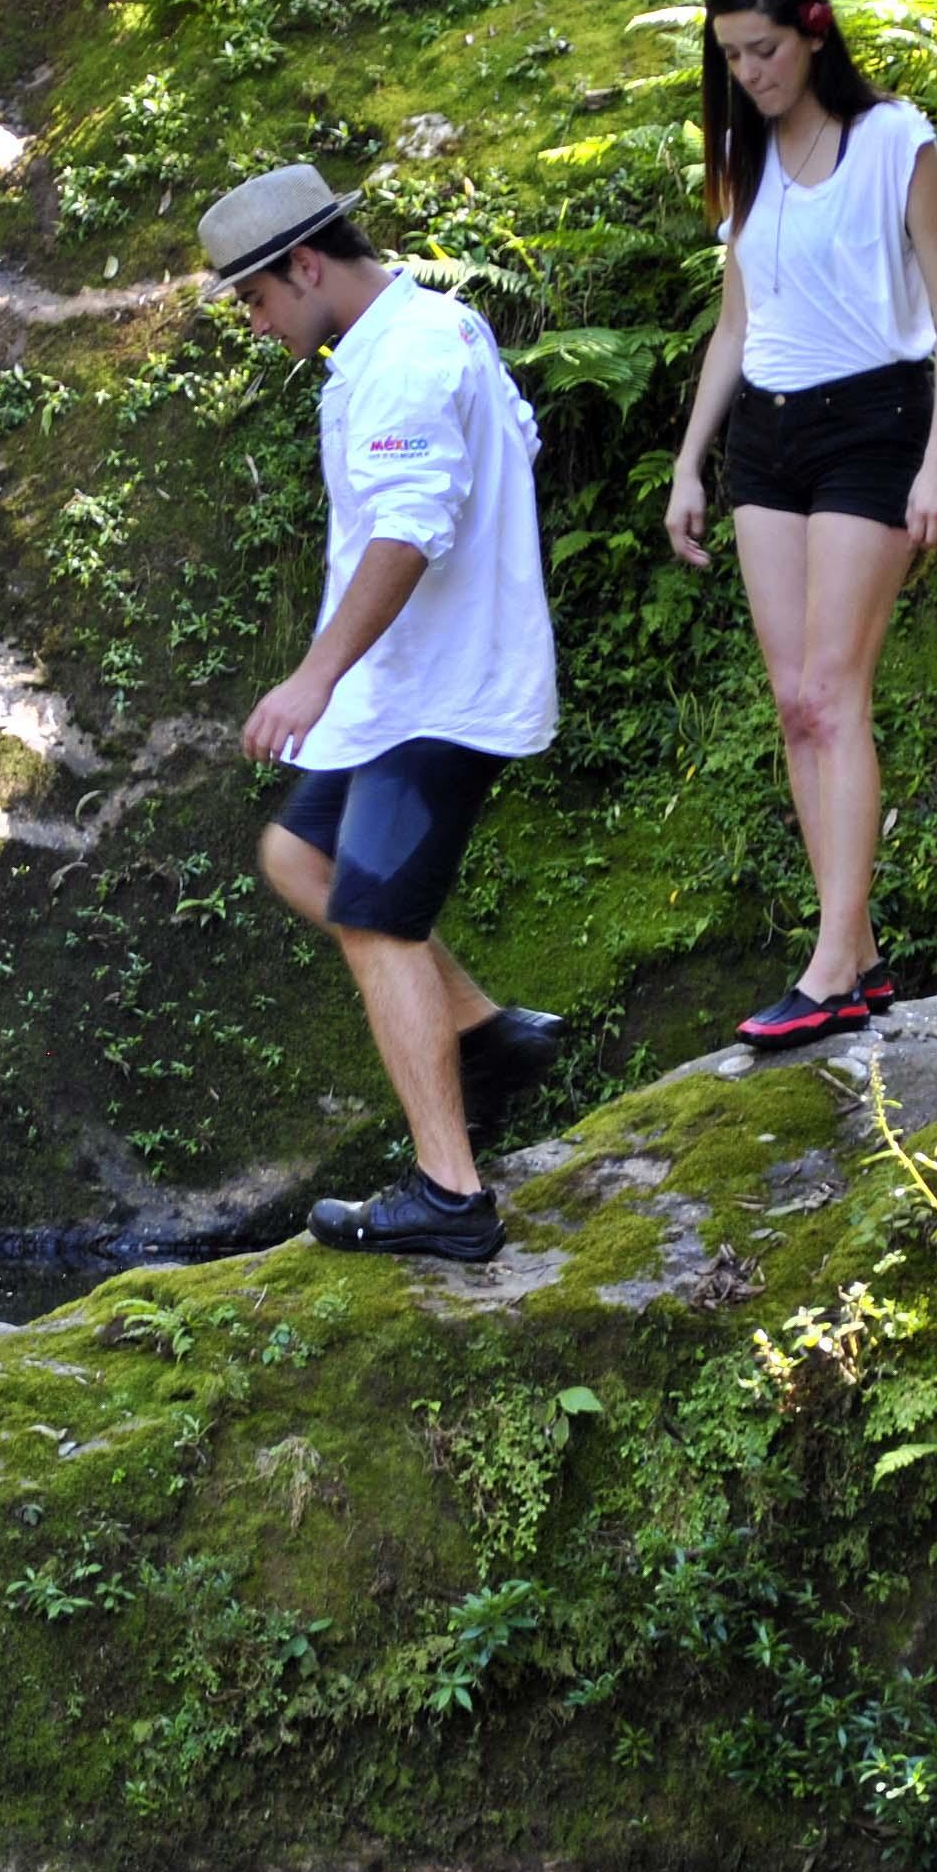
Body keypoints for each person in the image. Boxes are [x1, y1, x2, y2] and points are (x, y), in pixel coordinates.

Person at [207, 163, 564, 1264]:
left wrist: (311, 676)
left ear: (305, 264)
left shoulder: (406, 358)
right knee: (296, 856)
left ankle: (450, 1197)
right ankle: (485, 1038)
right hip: (397, 691)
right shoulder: (411, 335)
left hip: (436, 696)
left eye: (258, 301)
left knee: (374, 915)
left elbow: (408, 531)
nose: (259, 325)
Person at [663, 0, 937, 1052]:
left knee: (834, 688)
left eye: (764, 49)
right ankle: (859, 949)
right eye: (731, 58)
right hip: (766, 437)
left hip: (872, 428)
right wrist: (687, 462)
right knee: (794, 699)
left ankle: (831, 963)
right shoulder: (742, 163)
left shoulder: (894, 139)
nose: (748, 73)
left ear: (811, 31)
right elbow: (735, 326)